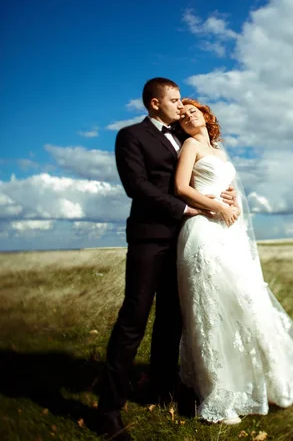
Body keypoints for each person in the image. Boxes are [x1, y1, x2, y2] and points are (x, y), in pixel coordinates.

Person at [175, 99, 293, 425]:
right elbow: (180, 187)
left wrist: (229, 198)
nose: (189, 115)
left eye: (194, 110)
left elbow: (225, 187)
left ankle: (264, 378)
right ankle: (219, 391)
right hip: (203, 231)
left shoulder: (218, 150)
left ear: (206, 115)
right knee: (212, 309)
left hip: (228, 231)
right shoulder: (189, 145)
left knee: (246, 303)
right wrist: (216, 207)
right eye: (183, 114)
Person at [97, 78, 237, 440]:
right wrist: (187, 207)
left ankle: (161, 387)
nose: (181, 105)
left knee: (172, 319)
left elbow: (201, 175)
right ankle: (108, 409)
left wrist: (221, 193)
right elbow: (137, 187)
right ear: (155, 103)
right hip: (150, 238)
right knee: (135, 317)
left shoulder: (184, 138)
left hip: (186, 242)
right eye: (174, 100)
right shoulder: (131, 136)